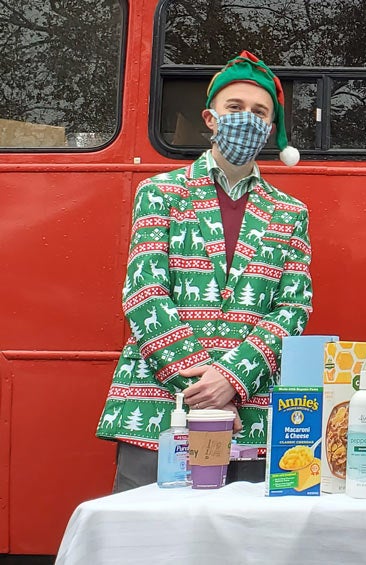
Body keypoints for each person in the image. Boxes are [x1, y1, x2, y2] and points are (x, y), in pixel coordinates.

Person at [96, 51, 313, 491]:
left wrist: (231, 381)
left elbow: (294, 306)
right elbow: (145, 293)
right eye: (235, 108)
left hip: (249, 412)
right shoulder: (160, 192)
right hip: (162, 405)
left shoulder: (290, 212)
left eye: (259, 113)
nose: (246, 119)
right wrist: (202, 389)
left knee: (244, 546)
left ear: (270, 131)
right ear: (211, 118)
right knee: (148, 544)